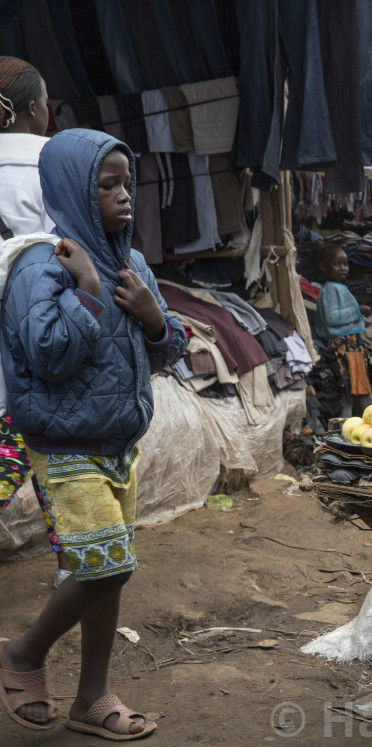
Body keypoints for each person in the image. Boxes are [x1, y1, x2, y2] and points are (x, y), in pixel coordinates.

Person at [0, 129, 186, 740]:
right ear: (74, 192)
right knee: (108, 567)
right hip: (64, 447)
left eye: (127, 184)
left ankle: (92, 697)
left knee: (103, 571)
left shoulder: (128, 262)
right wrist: (88, 292)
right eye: (108, 186)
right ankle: (24, 654)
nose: (124, 197)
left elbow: (165, 350)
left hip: (117, 445)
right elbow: (46, 354)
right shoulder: (40, 264)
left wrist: (155, 319)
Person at [0, 55, 71, 587]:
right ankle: (73, 563)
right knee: (54, 455)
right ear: (31, 109)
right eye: (47, 103)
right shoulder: (60, 166)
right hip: (40, 334)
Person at [315, 243, 372, 417]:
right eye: (337, 264)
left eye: (345, 264)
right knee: (350, 387)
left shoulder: (336, 288)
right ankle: (351, 422)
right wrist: (358, 311)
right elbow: (332, 318)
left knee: (355, 386)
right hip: (343, 346)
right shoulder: (329, 289)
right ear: (323, 267)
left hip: (351, 345)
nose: (343, 268)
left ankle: (357, 420)